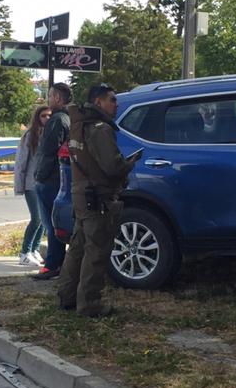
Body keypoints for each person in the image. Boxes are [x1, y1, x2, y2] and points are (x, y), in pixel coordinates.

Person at [56, 83, 141, 317]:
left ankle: (67, 296)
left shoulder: (78, 125)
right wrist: (129, 164)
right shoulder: (100, 129)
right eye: (112, 100)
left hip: (81, 194)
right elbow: (112, 166)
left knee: (77, 248)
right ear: (98, 102)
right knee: (96, 252)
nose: (116, 104)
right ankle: (90, 304)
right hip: (98, 196)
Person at [31, 82, 72, 280]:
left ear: (57, 98)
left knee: (52, 224)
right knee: (56, 224)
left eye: (50, 96)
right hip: (58, 178)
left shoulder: (57, 120)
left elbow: (48, 151)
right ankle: (59, 263)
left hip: (50, 179)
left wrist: (40, 175)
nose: (48, 100)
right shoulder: (68, 119)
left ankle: (52, 264)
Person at [12, 104, 50, 265]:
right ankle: (24, 252)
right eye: (43, 116)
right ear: (37, 118)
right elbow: (21, 162)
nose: (47, 119)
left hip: (43, 183)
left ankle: (34, 249)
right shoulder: (30, 136)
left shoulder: (49, 134)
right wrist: (19, 185)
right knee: (36, 218)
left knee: (43, 220)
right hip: (31, 184)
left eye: (49, 115)